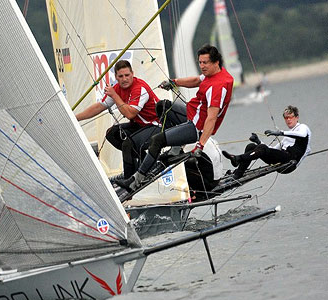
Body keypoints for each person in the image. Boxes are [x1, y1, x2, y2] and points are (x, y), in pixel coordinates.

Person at [117, 44, 234, 192]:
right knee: (162, 105)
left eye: (206, 63)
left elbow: (211, 119)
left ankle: (135, 181)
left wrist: (201, 144)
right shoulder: (216, 72)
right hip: (191, 114)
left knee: (157, 140)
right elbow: (197, 80)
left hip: (196, 127)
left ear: (216, 62)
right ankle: (176, 148)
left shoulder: (217, 87)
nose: (202, 66)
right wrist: (174, 82)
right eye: (200, 62)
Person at [76, 60, 160, 179]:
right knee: (112, 134)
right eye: (120, 76)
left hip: (156, 125)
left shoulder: (140, 88)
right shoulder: (117, 88)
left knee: (128, 143)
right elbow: (99, 107)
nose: (124, 79)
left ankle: (129, 179)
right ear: (116, 77)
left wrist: (114, 95)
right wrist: (76, 118)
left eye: (127, 75)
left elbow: (130, 114)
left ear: (132, 74)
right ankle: (146, 163)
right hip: (141, 125)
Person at [222, 105, 311, 179]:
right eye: (286, 118)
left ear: (297, 117)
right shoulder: (286, 139)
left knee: (263, 149)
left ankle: (238, 159)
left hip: (289, 164)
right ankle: (238, 174)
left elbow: (302, 135)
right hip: (281, 160)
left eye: (291, 117)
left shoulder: (303, 128)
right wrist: (258, 141)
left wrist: (280, 133)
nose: (288, 120)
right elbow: (270, 150)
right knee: (251, 146)